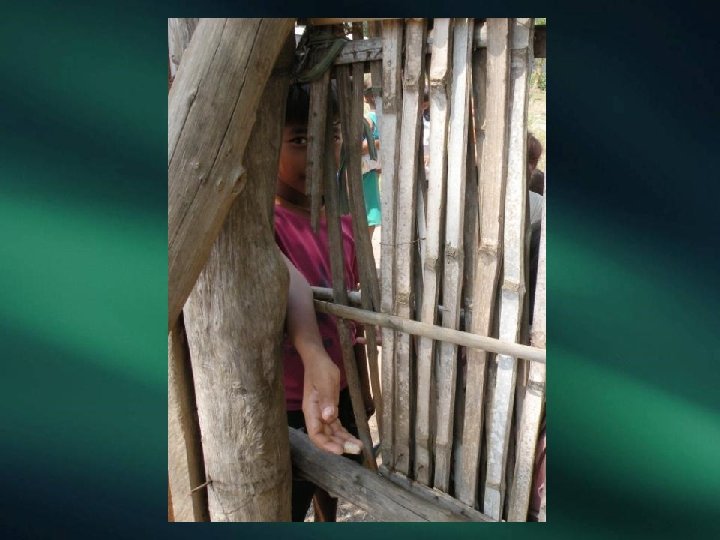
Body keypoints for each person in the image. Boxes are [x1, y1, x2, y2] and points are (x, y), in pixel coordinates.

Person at [275, 82, 368, 522]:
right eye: (299, 140)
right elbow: (287, 280)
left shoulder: (346, 229)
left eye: (329, 136)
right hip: (287, 401)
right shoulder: (264, 225)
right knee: (287, 500)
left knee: (335, 472)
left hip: (340, 389)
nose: (316, 153)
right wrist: (313, 352)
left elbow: (352, 325)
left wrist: (362, 388)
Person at [361, 75, 382, 239]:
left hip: (371, 174)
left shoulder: (384, 118)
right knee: (367, 219)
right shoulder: (369, 120)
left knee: (371, 219)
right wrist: (380, 143)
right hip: (363, 176)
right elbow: (356, 148)